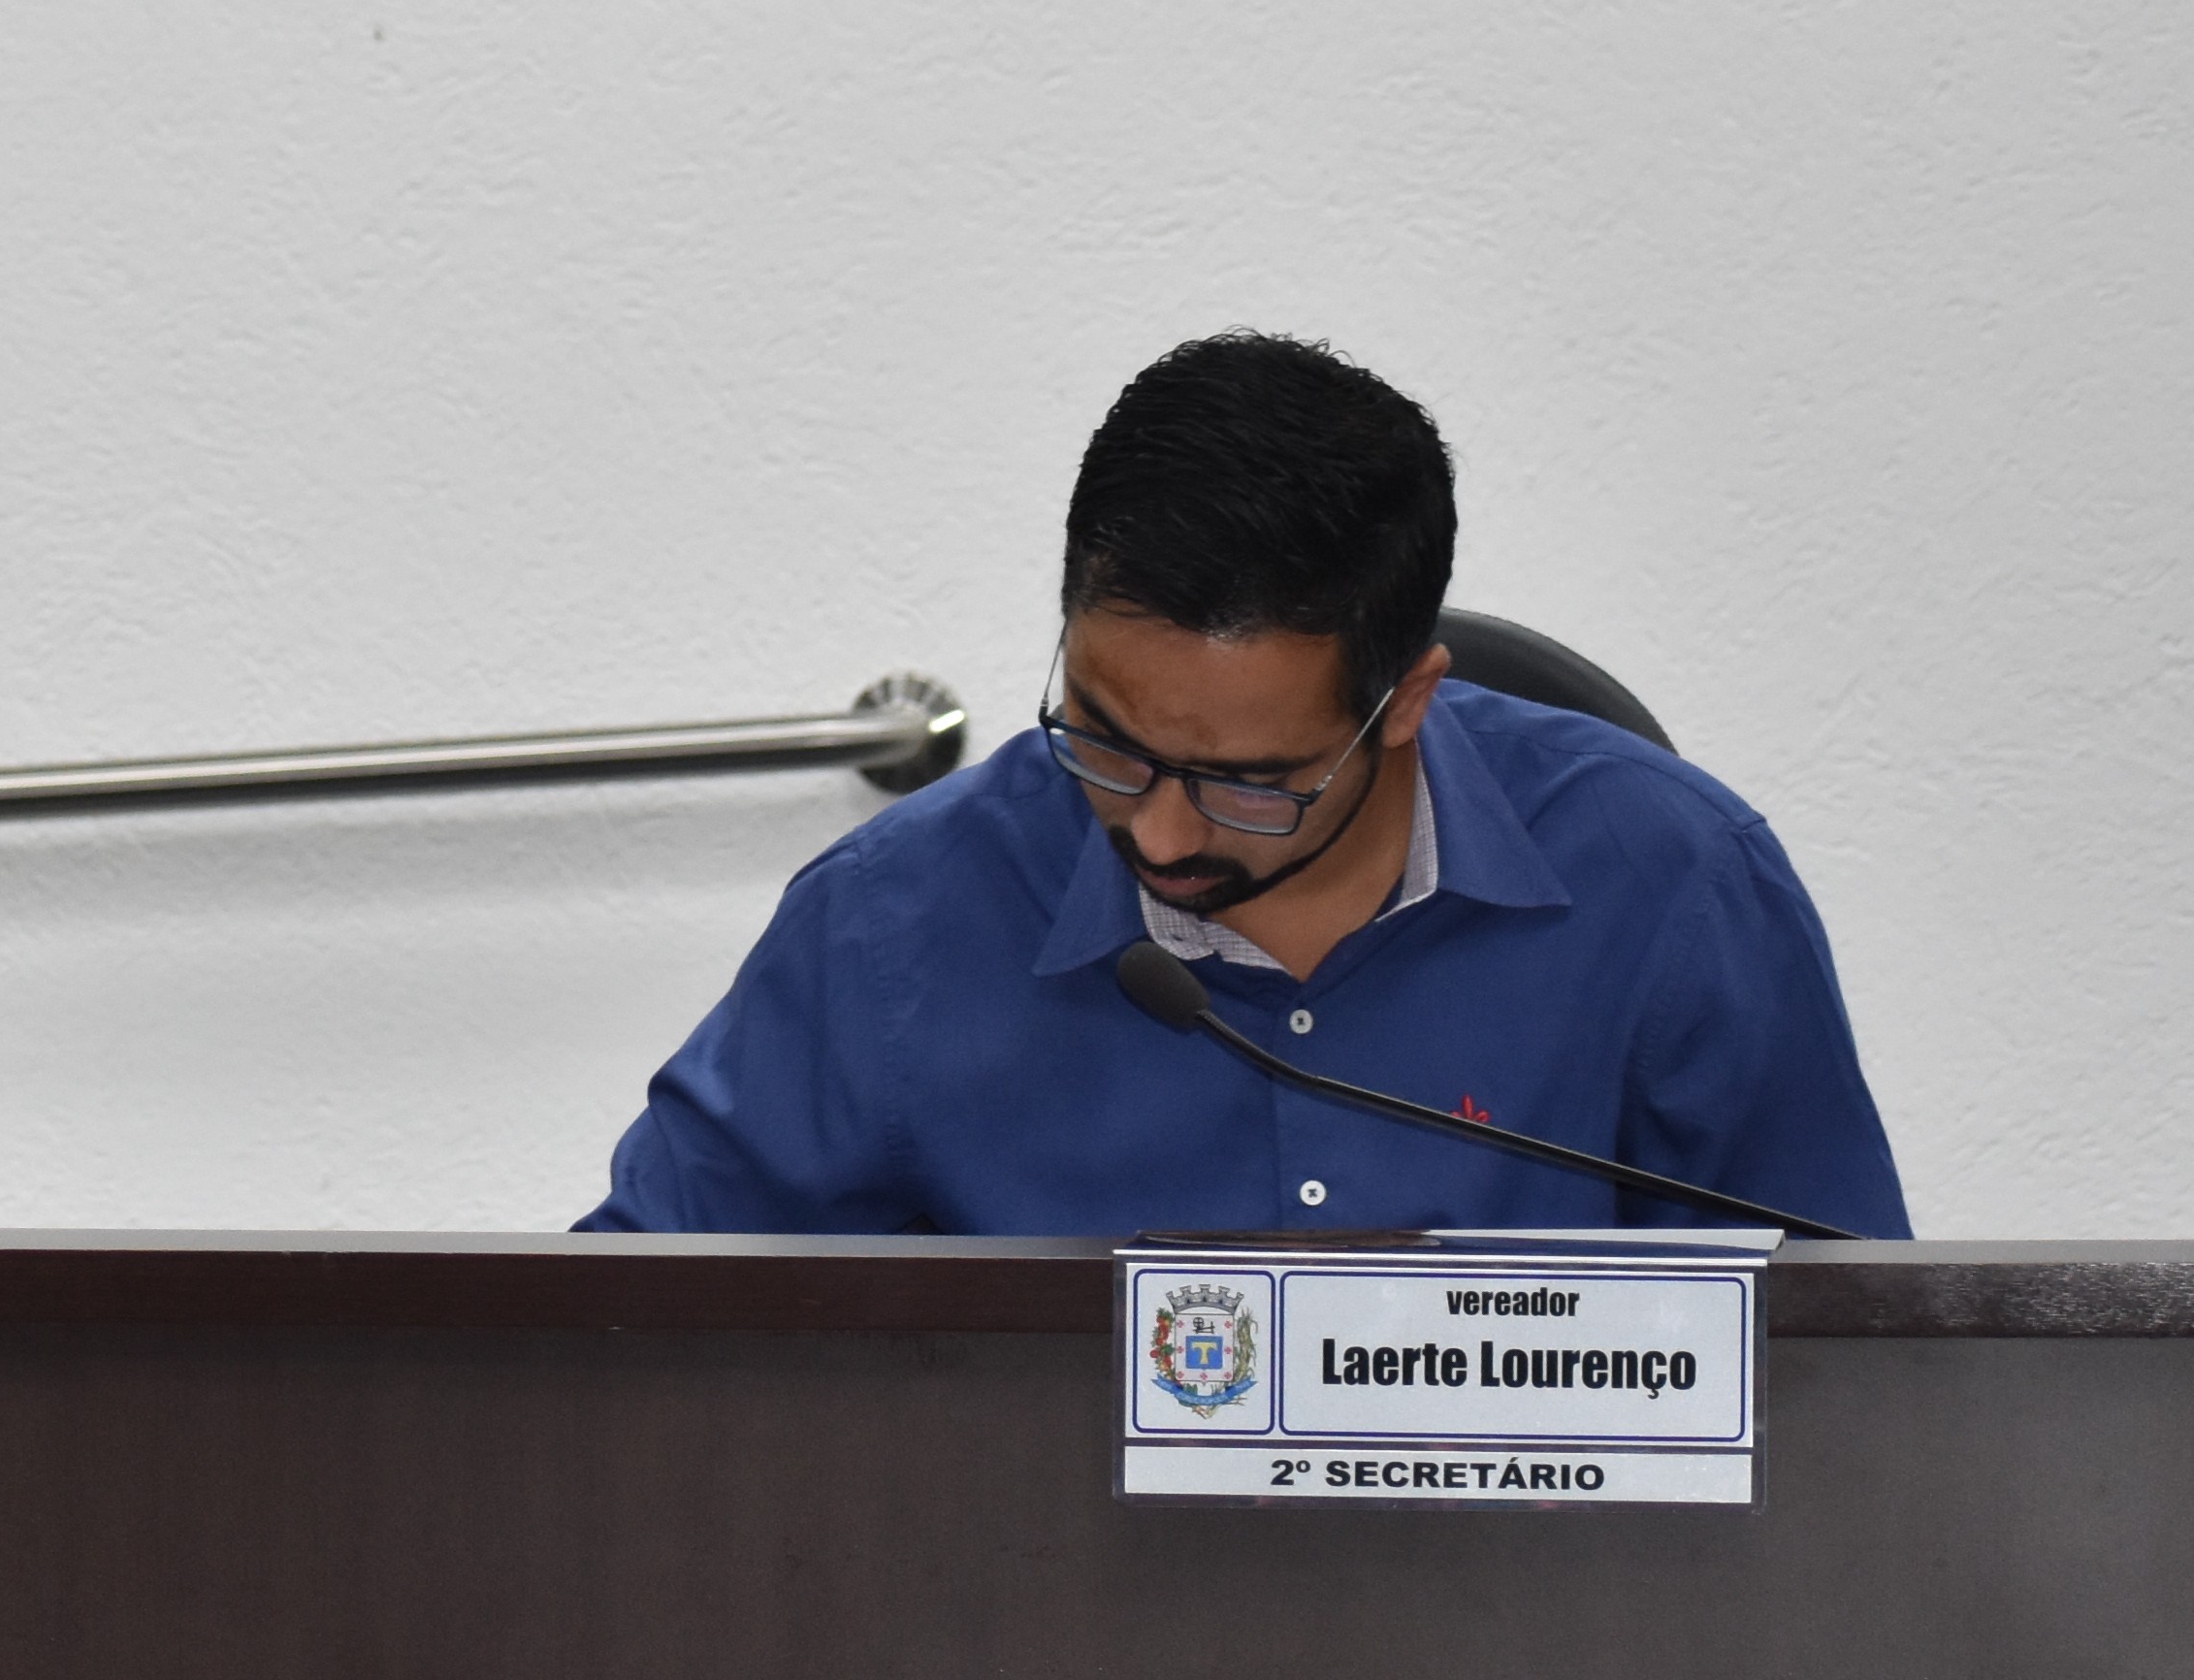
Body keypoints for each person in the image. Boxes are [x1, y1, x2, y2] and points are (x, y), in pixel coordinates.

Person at [587, 334, 1906, 1239]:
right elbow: (633, 1331)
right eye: (1106, 740)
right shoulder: (895, 921)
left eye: (1251, 783)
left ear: (1405, 703)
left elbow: (1850, 1360)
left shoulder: (1674, 885)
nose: (1160, 833)